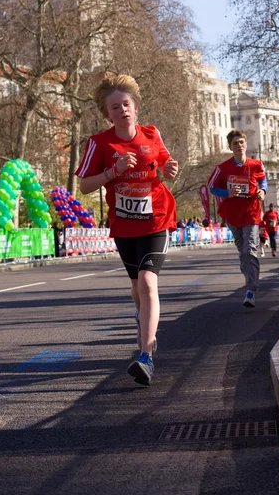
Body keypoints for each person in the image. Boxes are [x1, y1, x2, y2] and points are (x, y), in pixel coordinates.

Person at [75, 73, 178, 386]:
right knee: (137, 288)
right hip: (124, 225)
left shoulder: (151, 134)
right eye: (115, 107)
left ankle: (145, 355)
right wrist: (112, 171)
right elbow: (84, 186)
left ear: (135, 107)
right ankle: (145, 325)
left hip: (157, 219)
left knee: (148, 282)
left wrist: (170, 170)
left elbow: (164, 167)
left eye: (126, 104)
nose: (122, 110)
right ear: (107, 114)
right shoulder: (99, 143)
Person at [208, 128, 267, 308]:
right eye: (235, 143)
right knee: (243, 253)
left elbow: (263, 180)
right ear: (230, 147)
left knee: (250, 250)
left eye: (241, 142)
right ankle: (250, 276)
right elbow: (211, 187)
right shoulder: (223, 168)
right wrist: (228, 192)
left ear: (246, 144)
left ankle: (251, 290)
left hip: (251, 212)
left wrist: (262, 191)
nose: (239, 145)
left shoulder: (256, 165)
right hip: (232, 214)